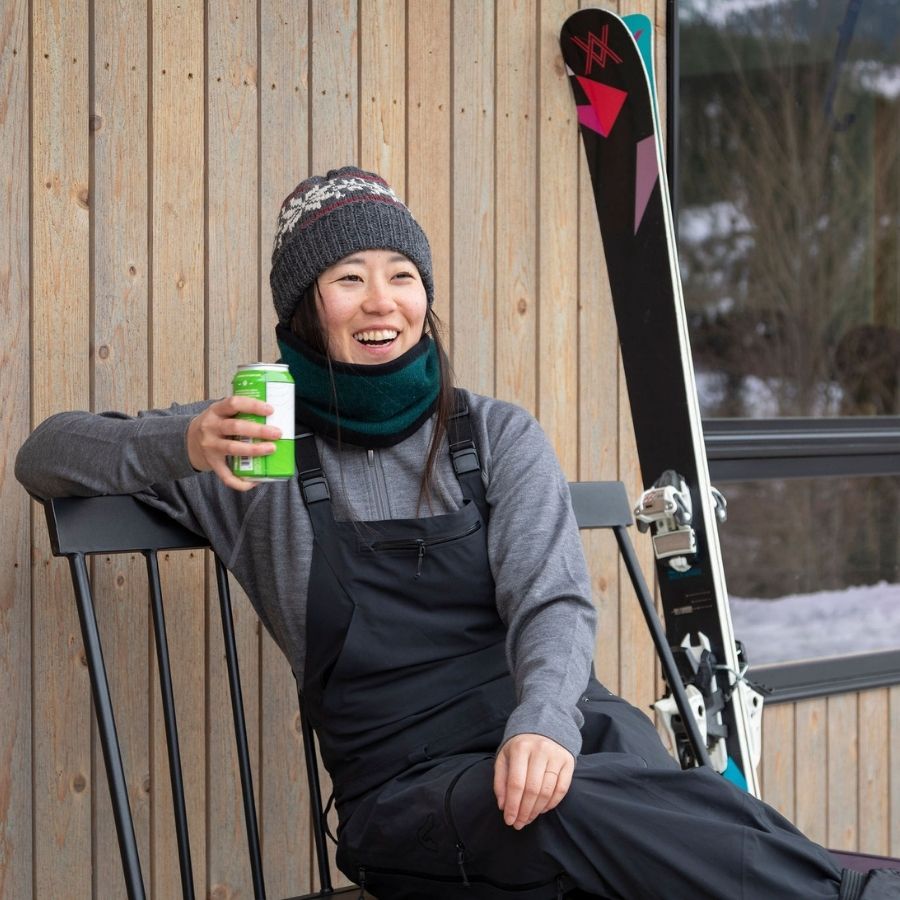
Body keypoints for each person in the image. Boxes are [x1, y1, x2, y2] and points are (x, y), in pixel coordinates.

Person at [16, 167, 899, 900]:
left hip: (556, 739)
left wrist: (546, 722)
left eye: (401, 275)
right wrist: (184, 441)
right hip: (415, 796)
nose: (381, 302)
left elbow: (550, 601)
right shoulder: (258, 448)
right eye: (348, 277)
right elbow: (47, 454)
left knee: (652, 796)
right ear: (303, 306)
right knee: (596, 818)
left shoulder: (492, 434)